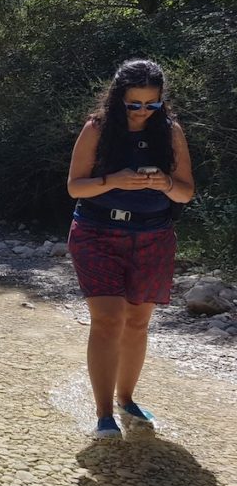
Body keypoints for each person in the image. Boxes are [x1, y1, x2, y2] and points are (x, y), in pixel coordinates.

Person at [66, 59, 194, 439]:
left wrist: (164, 183)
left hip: (153, 236)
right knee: (108, 320)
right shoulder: (98, 128)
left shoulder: (170, 132)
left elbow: (185, 191)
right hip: (96, 231)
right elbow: (75, 187)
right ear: (117, 98)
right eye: (133, 104)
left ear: (161, 102)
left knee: (137, 323)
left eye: (150, 105)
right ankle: (103, 414)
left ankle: (126, 399)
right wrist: (115, 180)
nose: (141, 112)